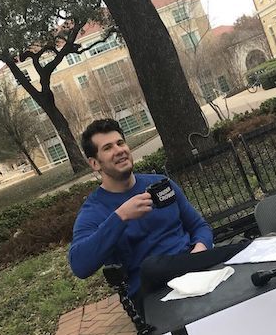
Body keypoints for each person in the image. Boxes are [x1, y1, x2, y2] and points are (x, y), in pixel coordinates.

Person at [69, 119, 213, 297]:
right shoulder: (94, 212)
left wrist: (199, 252)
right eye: (108, 148)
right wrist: (120, 217)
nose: (119, 150)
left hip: (194, 270)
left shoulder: (161, 184)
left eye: (120, 143)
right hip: (153, 294)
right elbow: (80, 266)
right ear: (95, 164)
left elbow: (199, 226)